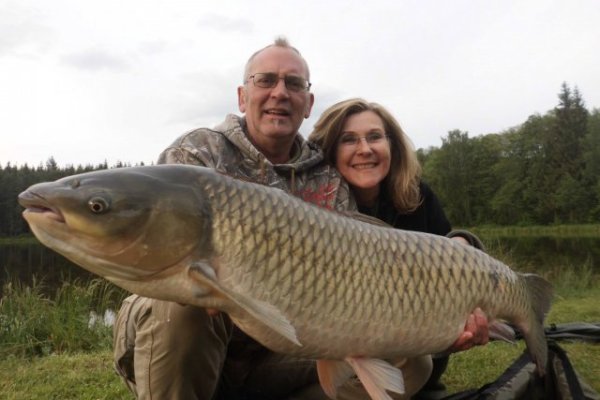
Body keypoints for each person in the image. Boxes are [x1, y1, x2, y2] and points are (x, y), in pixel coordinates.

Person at [113, 39, 487, 400]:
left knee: (412, 362)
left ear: (308, 104)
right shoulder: (197, 153)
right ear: (243, 96)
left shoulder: (327, 177)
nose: (279, 92)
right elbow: (158, 245)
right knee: (186, 304)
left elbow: (351, 272)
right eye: (266, 80)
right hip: (197, 341)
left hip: (281, 350)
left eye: (293, 84)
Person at [309, 98, 490, 399]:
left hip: (416, 349)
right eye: (348, 140)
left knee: (418, 359)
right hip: (333, 341)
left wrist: (464, 243)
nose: (365, 149)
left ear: (391, 145)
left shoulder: (417, 195)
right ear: (330, 150)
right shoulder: (313, 206)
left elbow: (452, 243)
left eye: (375, 137)